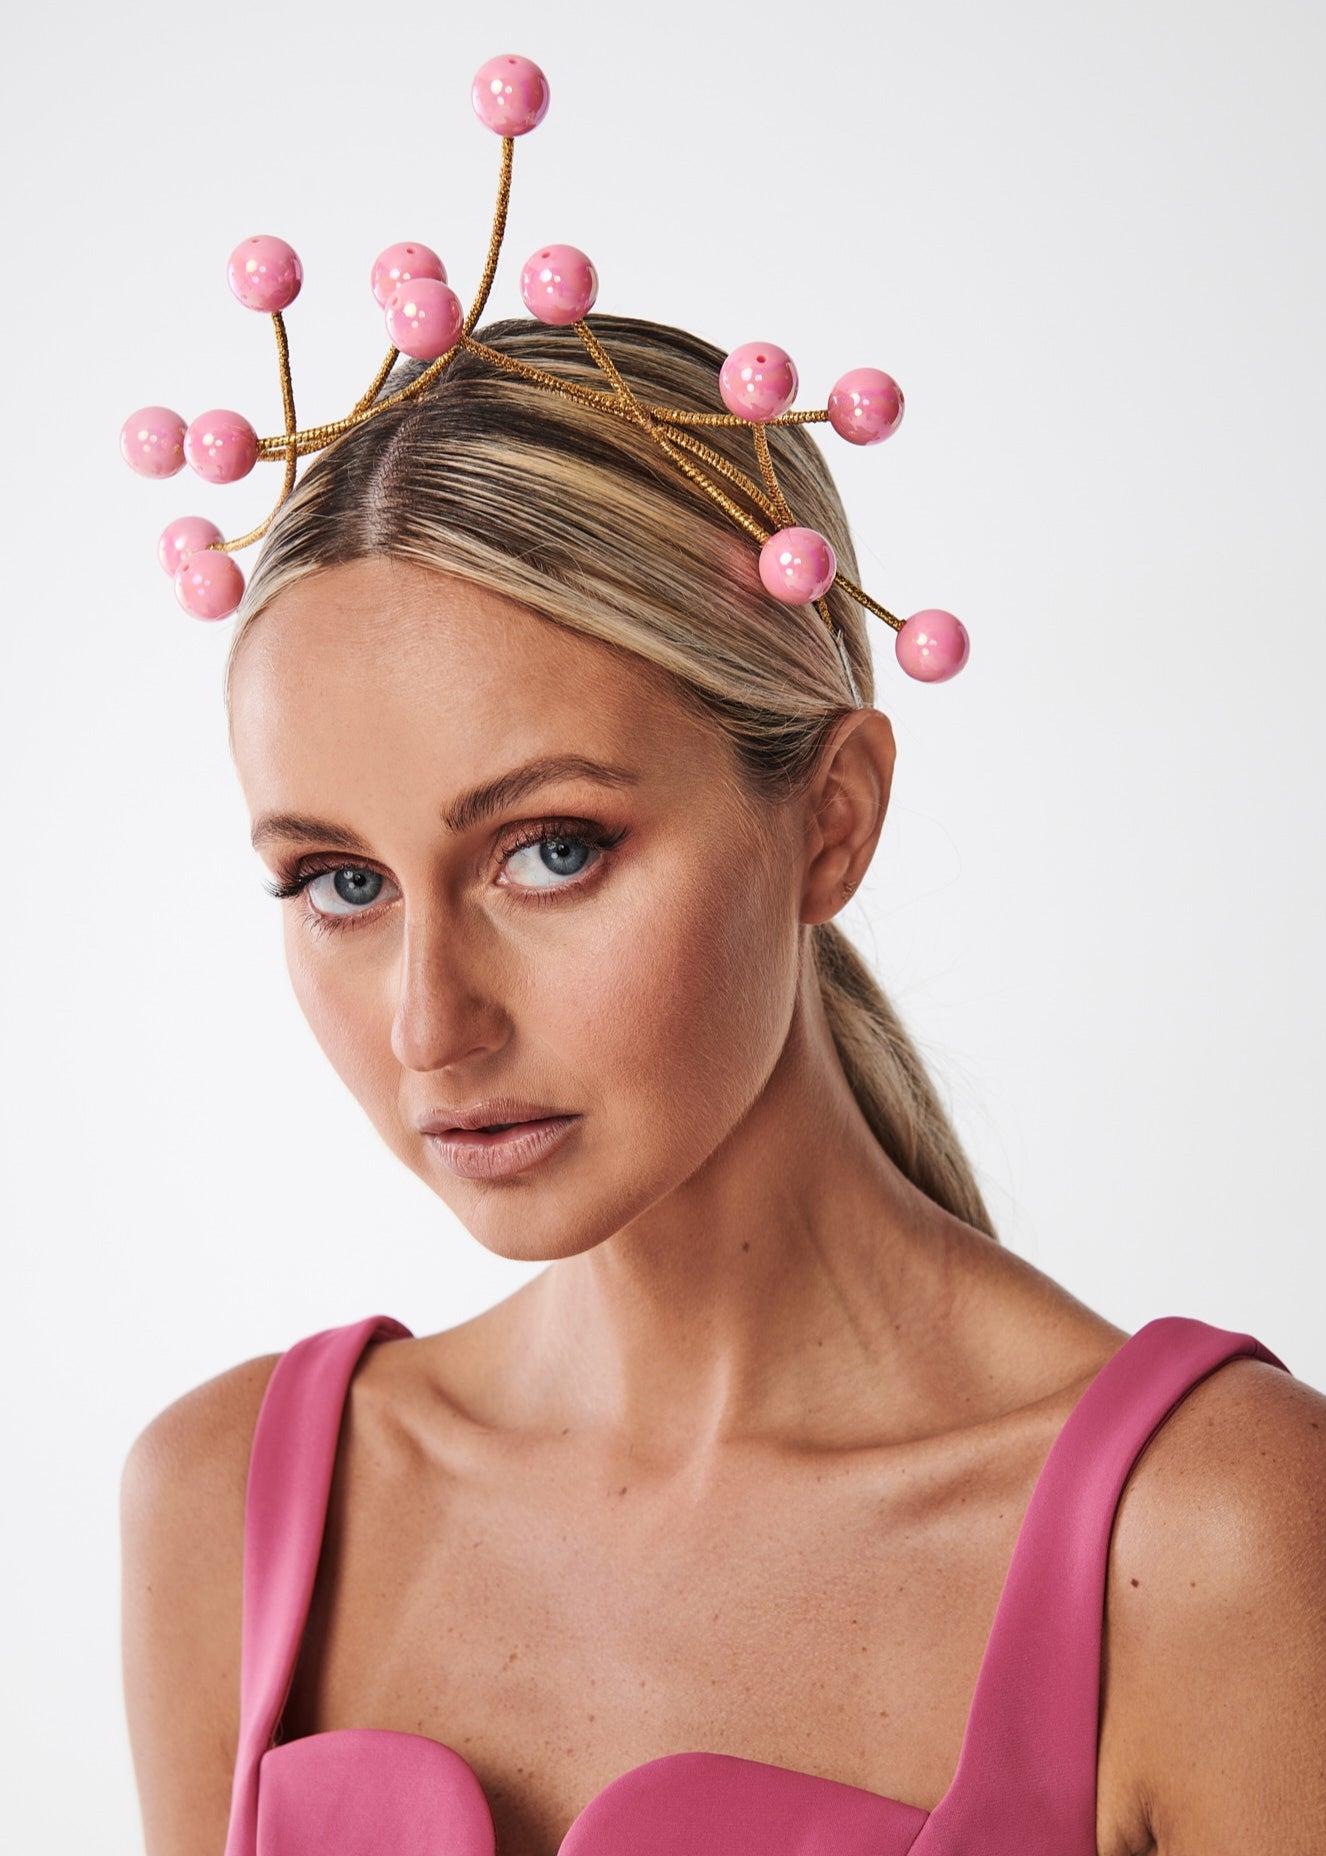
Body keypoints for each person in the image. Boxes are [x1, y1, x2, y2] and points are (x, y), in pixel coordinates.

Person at [117, 306, 1326, 1856]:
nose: (430, 1026)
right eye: (341, 883)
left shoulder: (1217, 1542)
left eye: (550, 852)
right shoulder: (223, 1512)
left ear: (830, 817)